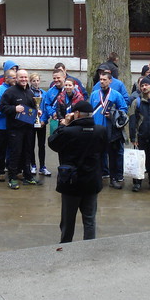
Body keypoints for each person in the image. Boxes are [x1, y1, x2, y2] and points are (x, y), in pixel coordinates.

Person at [48, 100, 108, 243]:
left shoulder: (68, 132)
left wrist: (63, 124)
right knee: (89, 219)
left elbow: (52, 142)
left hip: (71, 181)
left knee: (68, 220)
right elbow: (104, 149)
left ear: (76, 114)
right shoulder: (101, 130)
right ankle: (89, 245)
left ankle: (66, 245)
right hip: (92, 180)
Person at [0, 69, 42, 189]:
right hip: (15, 129)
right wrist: (14, 108)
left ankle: (28, 176)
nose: (23, 79)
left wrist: (37, 112)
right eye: (21, 77)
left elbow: (33, 107)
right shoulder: (10, 92)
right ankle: (12, 178)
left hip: (28, 128)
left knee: (28, 152)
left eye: (25, 77)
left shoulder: (29, 92)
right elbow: (1, 107)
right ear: (16, 79)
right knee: (15, 153)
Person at [89, 72, 128, 189]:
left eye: (104, 79)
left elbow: (124, 110)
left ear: (110, 81)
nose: (102, 81)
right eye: (100, 79)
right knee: (97, 155)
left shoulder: (116, 95)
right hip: (97, 130)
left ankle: (113, 178)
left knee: (113, 155)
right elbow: (90, 111)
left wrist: (113, 114)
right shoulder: (94, 95)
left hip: (111, 130)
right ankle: (97, 178)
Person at [28, 73, 50, 176]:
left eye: (37, 80)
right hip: (31, 124)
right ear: (30, 82)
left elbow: (46, 108)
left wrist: (43, 120)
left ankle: (42, 166)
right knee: (31, 144)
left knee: (42, 145)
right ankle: (33, 165)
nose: (36, 83)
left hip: (41, 123)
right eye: (33, 81)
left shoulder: (44, 93)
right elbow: (27, 108)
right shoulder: (28, 93)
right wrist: (32, 119)